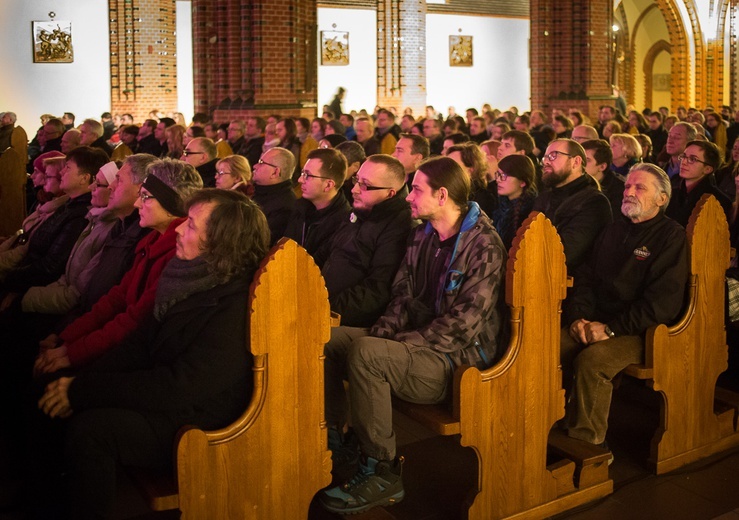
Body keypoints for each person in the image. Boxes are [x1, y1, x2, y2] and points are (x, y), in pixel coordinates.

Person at [36, 189, 270, 519]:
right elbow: (139, 342)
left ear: (220, 243)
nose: (177, 229)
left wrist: (83, 391)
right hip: (170, 397)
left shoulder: (233, 306)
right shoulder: (188, 277)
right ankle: (48, 496)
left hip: (197, 423)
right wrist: (79, 381)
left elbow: (181, 386)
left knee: (92, 430)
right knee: (61, 383)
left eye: (190, 225)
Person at [320, 156, 507, 514]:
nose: (407, 197)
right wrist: (383, 332)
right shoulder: (423, 232)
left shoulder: (484, 246)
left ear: (441, 195)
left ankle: (382, 471)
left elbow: (462, 326)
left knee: (368, 354)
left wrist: (391, 343)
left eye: (416, 189)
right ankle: (335, 439)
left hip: (457, 364)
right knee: (328, 339)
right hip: (418, 343)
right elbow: (401, 296)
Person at [560, 163, 689, 448]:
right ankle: (547, 422)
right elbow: (585, 277)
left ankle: (586, 443)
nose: (629, 192)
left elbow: (661, 304)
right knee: (550, 345)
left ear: (661, 199)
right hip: (596, 320)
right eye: (628, 186)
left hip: (643, 332)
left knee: (592, 362)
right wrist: (579, 318)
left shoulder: (670, 236)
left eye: (640, 187)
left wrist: (612, 329)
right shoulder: (613, 228)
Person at [34, 158, 203, 374]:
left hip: (137, 358)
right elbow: (116, 298)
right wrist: (67, 338)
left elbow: (134, 320)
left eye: (145, 197)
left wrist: (72, 353)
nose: (137, 204)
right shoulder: (150, 241)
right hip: (114, 343)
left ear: (171, 205)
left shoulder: (178, 256)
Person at [321, 154, 413, 328]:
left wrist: (325, 307)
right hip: (322, 299)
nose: (354, 189)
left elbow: (377, 290)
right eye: (357, 180)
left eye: (365, 185)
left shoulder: (399, 226)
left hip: (346, 317)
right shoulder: (361, 209)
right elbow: (328, 251)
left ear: (389, 193)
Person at [532, 139, 612, 272]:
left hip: (575, 285)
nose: (546, 162)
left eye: (553, 155)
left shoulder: (594, 202)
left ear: (576, 162)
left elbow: (566, 253)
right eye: (545, 157)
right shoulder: (544, 197)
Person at [283, 148, 351, 267]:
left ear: (328, 185)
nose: (300, 180)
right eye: (302, 173)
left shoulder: (344, 224)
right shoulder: (300, 208)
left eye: (307, 175)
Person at [665, 140, 733, 227]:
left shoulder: (718, 201)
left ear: (707, 169)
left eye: (692, 159)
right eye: (684, 156)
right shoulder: (671, 193)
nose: (684, 162)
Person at [251, 147, 297, 245]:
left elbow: (261, 243)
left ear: (275, 172)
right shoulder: (260, 193)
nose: (255, 166)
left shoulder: (284, 207)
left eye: (261, 162)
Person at [491, 154, 537, 249]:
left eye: (504, 176)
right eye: (498, 174)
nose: (498, 180)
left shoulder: (531, 211)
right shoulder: (501, 204)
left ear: (522, 182)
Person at [582, 139, 625, 220]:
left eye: (587, 160)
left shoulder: (619, 191)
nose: (580, 164)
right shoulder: (575, 180)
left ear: (602, 167)